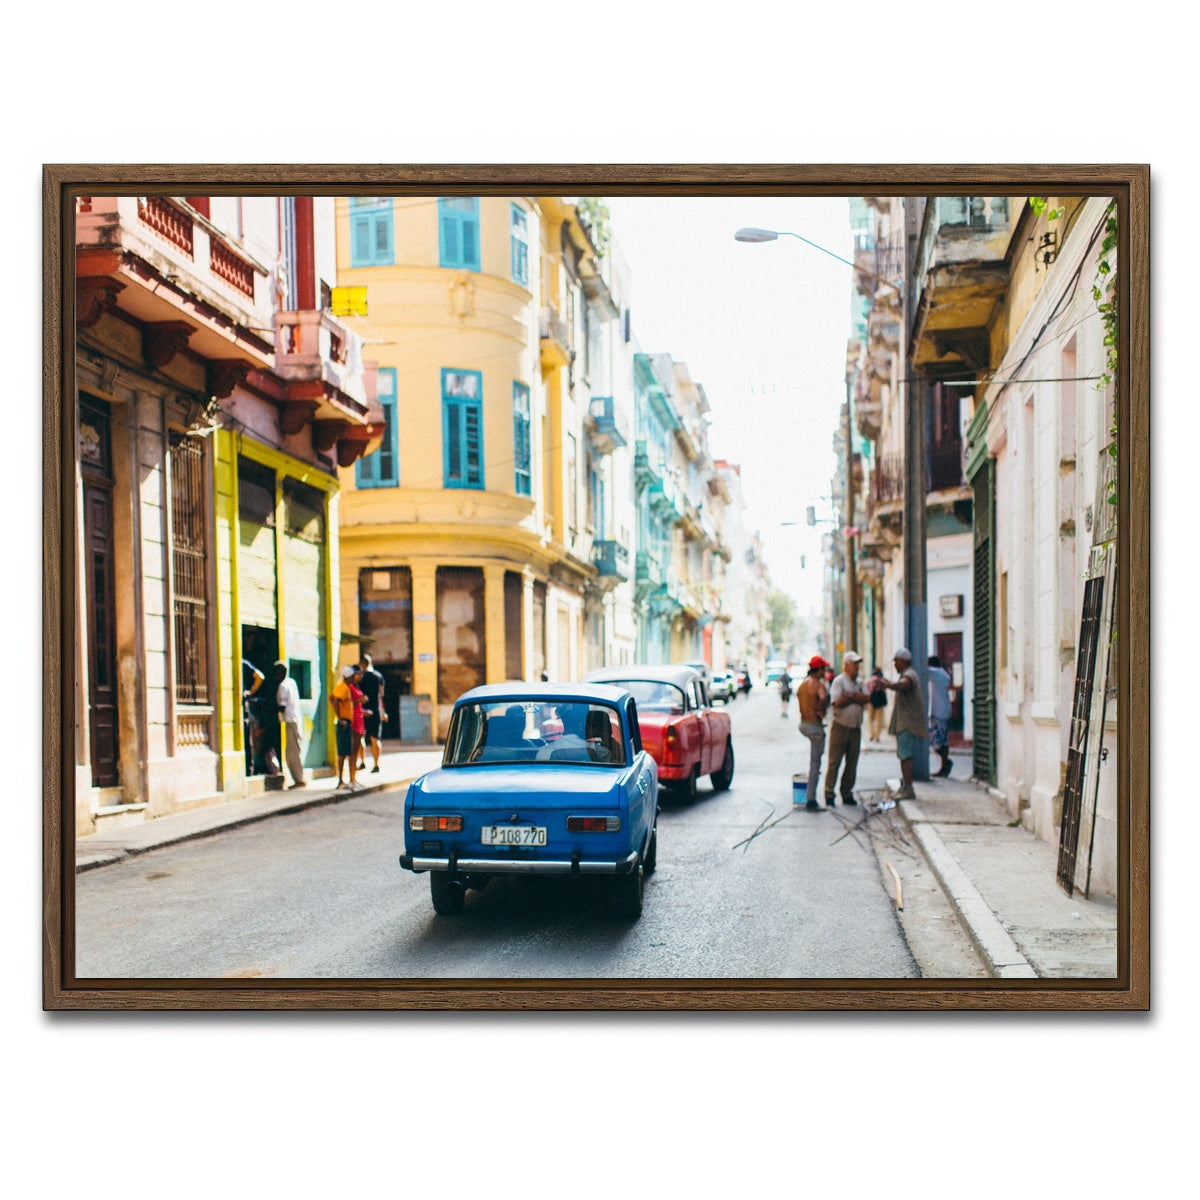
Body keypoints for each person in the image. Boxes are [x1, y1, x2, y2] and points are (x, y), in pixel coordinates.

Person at [825, 651, 870, 807]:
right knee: (834, 761)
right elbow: (837, 702)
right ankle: (829, 792)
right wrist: (855, 697)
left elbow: (867, 698)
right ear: (846, 665)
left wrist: (850, 696)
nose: (857, 667)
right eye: (854, 664)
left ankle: (847, 792)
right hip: (841, 726)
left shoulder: (859, 682)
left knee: (852, 762)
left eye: (858, 664)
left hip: (856, 727)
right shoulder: (839, 681)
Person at [881, 648, 926, 800]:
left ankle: (908, 787)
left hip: (907, 723)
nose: (895, 664)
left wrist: (888, 685)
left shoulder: (908, 675)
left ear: (904, 661)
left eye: (896, 661)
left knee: (905, 755)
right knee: (903, 755)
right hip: (904, 722)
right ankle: (905, 785)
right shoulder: (907, 674)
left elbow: (903, 685)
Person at [796, 655, 830, 811]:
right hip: (815, 727)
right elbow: (822, 699)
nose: (825, 671)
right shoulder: (819, 685)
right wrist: (822, 709)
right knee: (815, 764)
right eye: (824, 668)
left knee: (814, 762)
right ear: (819, 670)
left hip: (803, 724)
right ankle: (811, 799)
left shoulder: (802, 685)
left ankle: (810, 796)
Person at [274, 660, 306, 789]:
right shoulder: (292, 682)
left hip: (291, 721)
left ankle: (299, 779)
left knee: (292, 752)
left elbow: (282, 706)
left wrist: (274, 715)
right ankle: (299, 777)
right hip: (296, 720)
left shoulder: (283, 686)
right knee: (294, 750)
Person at [330, 664, 363, 790]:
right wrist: (340, 718)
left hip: (346, 722)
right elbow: (336, 700)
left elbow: (331, 698)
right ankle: (341, 781)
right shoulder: (343, 687)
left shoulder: (344, 687)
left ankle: (344, 780)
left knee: (346, 751)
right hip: (344, 722)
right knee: (343, 752)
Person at [357, 655, 387, 773]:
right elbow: (381, 695)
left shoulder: (360, 677)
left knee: (361, 737)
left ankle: (362, 762)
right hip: (375, 710)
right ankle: (376, 764)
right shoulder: (378, 676)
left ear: (362, 664)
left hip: (362, 711)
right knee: (375, 739)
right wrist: (383, 712)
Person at [927, 655, 954, 778]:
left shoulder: (935, 673)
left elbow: (922, 670)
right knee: (944, 740)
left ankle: (946, 763)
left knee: (934, 741)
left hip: (937, 711)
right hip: (944, 710)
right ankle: (944, 765)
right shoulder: (944, 674)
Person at [241, 659, 265, 775]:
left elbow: (260, 676)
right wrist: (250, 692)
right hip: (242, 703)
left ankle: (247, 769)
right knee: (246, 736)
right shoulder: (244, 663)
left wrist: (249, 693)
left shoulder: (240, 663)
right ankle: (248, 769)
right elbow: (260, 677)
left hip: (237, 703)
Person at [866, 666, 888, 742]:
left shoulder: (870, 680)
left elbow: (867, 691)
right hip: (879, 702)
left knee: (870, 719)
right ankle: (877, 737)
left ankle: (871, 734)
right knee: (879, 719)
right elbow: (885, 690)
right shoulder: (882, 680)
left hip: (871, 701)